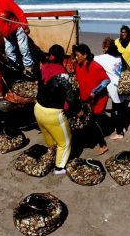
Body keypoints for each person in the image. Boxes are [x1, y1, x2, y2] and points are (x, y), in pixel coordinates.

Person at [34, 44, 82, 175]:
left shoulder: (43, 67)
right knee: (65, 142)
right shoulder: (63, 75)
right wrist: (79, 110)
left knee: (51, 139)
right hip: (53, 114)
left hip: (38, 109)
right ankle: (59, 168)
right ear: (62, 57)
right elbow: (71, 98)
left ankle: (52, 153)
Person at [73, 43, 110, 155]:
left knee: (93, 121)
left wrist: (95, 91)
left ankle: (103, 145)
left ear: (85, 55)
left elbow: (106, 80)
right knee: (86, 120)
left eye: (78, 55)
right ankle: (90, 137)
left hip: (99, 99)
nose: (76, 57)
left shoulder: (95, 66)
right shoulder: (78, 66)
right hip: (85, 98)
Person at [94, 37, 128, 140]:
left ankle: (119, 133)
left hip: (114, 87)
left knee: (116, 109)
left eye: (104, 47)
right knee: (122, 108)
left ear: (106, 47)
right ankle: (122, 128)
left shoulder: (102, 58)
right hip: (125, 85)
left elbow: (90, 58)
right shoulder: (119, 56)